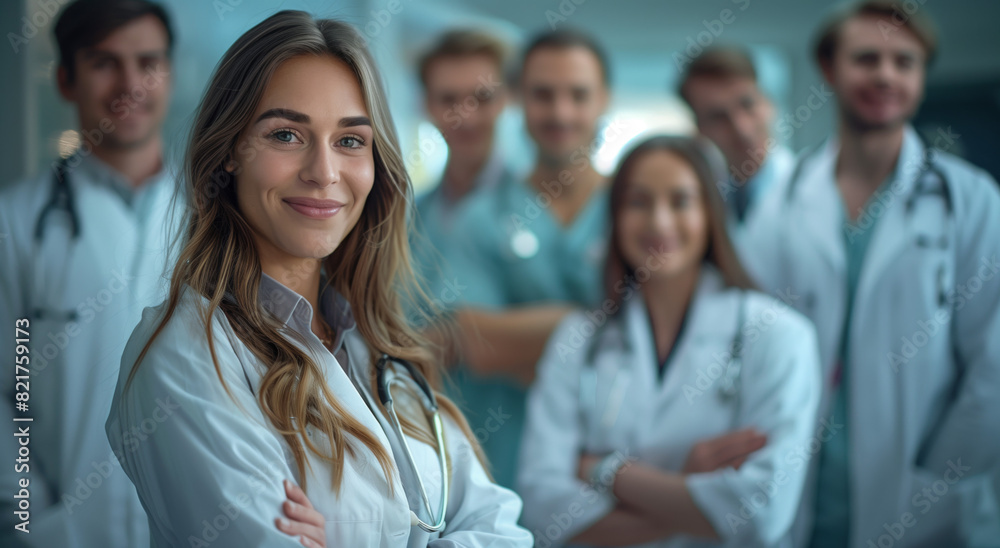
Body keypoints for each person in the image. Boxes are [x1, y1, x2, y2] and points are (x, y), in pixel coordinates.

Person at [104, 11, 532, 547]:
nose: (324, 172)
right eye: (286, 134)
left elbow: (504, 532)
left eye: (351, 141)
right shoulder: (184, 355)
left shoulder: (378, 348)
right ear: (231, 151)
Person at [743, 2, 1000, 546]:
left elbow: (994, 358)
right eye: (866, 58)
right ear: (829, 69)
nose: (885, 74)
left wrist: (945, 466)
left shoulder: (971, 200)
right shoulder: (784, 203)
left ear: (921, 77)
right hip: (809, 487)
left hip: (925, 491)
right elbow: (750, 342)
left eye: (903, 61)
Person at [518, 135, 821, 547]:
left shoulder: (779, 336)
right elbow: (541, 507)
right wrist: (688, 491)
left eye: (680, 201)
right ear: (615, 217)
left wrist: (606, 472)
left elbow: (760, 514)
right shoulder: (578, 340)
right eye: (638, 202)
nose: (659, 222)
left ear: (710, 214)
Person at [0, 1, 175, 545]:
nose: (130, 83)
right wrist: (34, 519)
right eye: (104, 62)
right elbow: (9, 389)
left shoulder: (216, 219)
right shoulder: (16, 221)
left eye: (148, 62)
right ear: (65, 80)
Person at [442, 28, 614, 489]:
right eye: (543, 94)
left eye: (578, 95)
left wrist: (526, 337)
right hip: (507, 464)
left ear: (605, 99)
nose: (560, 112)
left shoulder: (637, 209)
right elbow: (475, 344)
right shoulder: (480, 217)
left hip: (621, 469)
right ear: (518, 99)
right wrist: (612, 323)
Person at [411, 29, 512, 303]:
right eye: (448, 100)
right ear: (426, 105)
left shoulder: (539, 203)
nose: (466, 118)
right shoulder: (406, 217)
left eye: (482, 98)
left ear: (505, 100)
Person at [677, 46, 794, 256]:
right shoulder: (699, 199)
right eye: (718, 117)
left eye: (747, 104)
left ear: (768, 103)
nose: (742, 129)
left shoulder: (809, 189)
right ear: (699, 131)